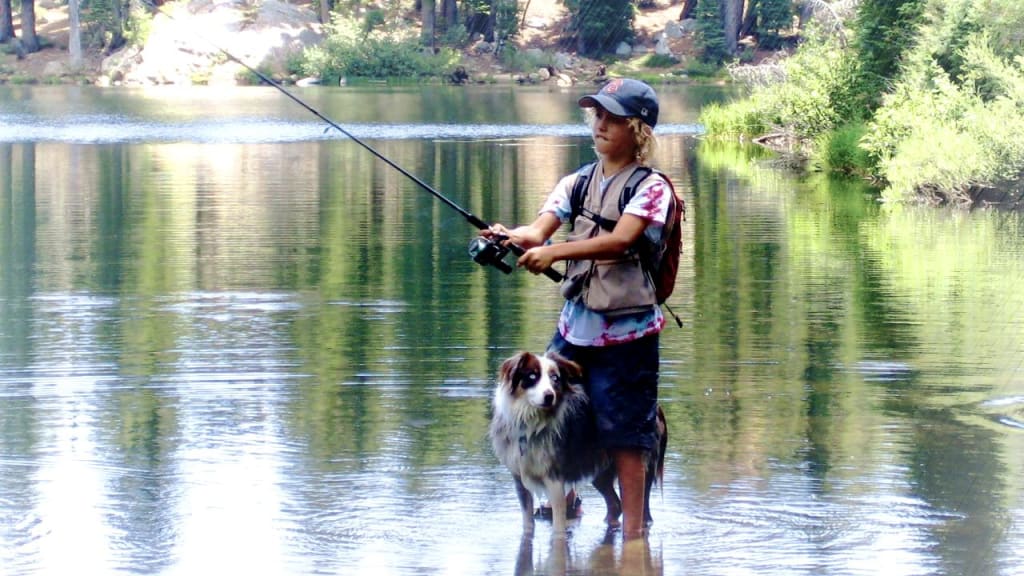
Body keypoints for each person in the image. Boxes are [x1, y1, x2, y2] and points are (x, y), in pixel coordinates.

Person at [483, 78, 672, 539]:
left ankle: (632, 536)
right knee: (545, 409)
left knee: (625, 431)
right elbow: (537, 231)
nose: (600, 124)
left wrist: (555, 253)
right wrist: (509, 236)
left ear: (639, 130)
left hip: (629, 336)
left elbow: (622, 239)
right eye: (596, 115)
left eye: (612, 117)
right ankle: (563, 505)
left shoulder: (653, 189)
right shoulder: (577, 181)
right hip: (575, 328)